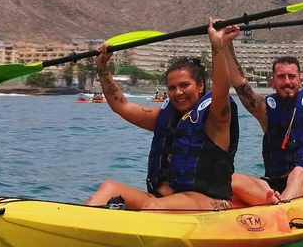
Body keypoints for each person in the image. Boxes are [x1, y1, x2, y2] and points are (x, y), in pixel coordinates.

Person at [83, 19, 240, 211]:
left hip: (209, 202)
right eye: (172, 88)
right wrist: (102, 67)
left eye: (184, 85)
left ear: (200, 86)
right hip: (158, 199)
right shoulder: (164, 118)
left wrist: (217, 45)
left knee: (152, 207)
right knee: (109, 188)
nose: (178, 92)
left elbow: (222, 90)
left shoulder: (215, 120)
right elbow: (121, 106)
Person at [226, 12, 303, 204]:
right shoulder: (264, 110)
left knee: (299, 172)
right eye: (281, 77)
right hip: (274, 184)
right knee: (231, 178)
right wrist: (226, 43)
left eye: (291, 76)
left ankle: (279, 209)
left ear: (300, 80)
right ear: (272, 82)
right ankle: (275, 201)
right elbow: (239, 82)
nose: (287, 81)